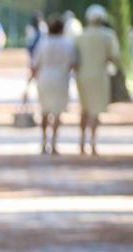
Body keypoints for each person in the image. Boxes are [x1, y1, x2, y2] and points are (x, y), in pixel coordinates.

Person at [74, 4, 121, 155]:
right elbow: (114, 56)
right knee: (96, 110)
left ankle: (82, 141)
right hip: (100, 75)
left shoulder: (81, 36)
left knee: (85, 108)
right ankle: (92, 142)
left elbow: (75, 57)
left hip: (83, 75)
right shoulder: (108, 35)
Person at [31, 16, 76, 155]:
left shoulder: (43, 43)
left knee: (44, 111)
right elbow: (73, 64)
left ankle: (44, 142)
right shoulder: (67, 43)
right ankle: (54, 143)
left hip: (44, 79)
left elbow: (35, 64)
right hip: (61, 80)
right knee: (57, 113)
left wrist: (31, 79)